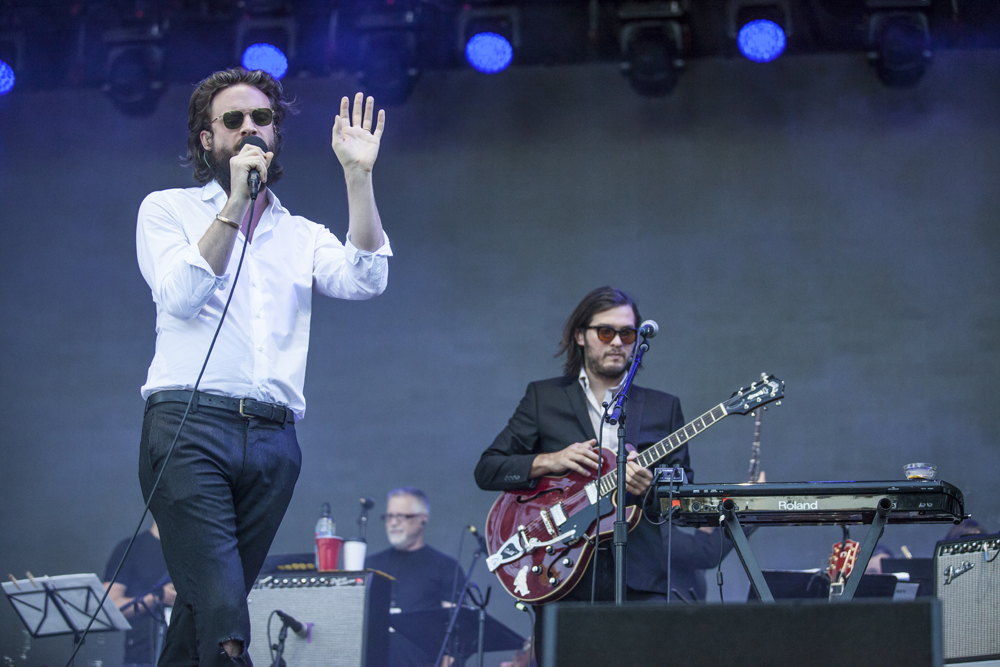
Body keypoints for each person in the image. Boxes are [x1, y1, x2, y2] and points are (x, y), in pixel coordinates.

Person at [135, 67, 391, 666]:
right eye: (233, 119)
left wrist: (358, 177)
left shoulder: (299, 234)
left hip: (274, 440)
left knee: (202, 612)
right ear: (207, 138)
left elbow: (367, 277)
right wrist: (233, 205)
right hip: (188, 429)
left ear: (276, 133)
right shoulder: (167, 210)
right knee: (226, 617)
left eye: (262, 118)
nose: (250, 127)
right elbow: (179, 296)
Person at [474, 286, 692, 651]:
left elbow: (680, 500)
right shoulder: (544, 398)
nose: (618, 342)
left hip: (639, 579)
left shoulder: (663, 407)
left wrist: (649, 488)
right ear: (580, 335)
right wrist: (549, 460)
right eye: (606, 332)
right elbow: (488, 470)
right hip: (561, 574)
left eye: (627, 333)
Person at [365, 488, 465, 667]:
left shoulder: (445, 567)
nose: (393, 523)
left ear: (422, 519)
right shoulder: (371, 565)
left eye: (401, 516)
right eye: (389, 516)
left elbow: (457, 632)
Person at [103, 521, 175, 667]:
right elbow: (108, 609)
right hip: (141, 657)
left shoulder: (197, 551)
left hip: (190, 657)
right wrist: (157, 597)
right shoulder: (130, 548)